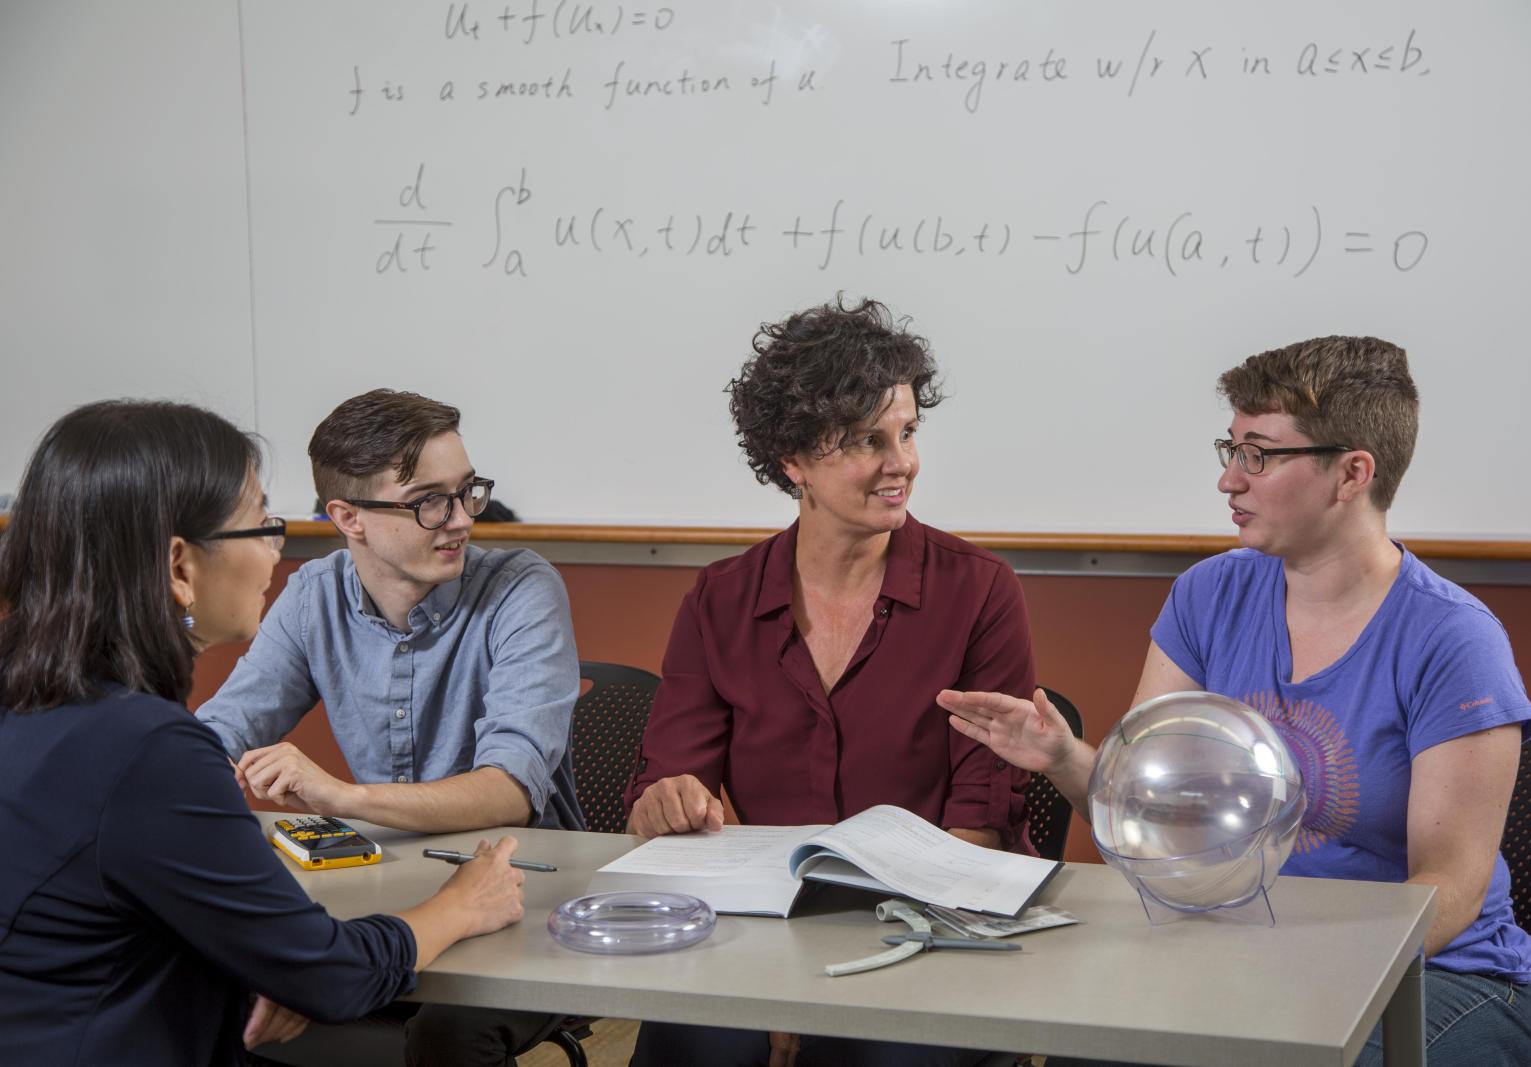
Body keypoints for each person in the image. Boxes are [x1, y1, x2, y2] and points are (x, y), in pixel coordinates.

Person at [939, 336, 1531, 1066]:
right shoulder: (1208, 594)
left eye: (1258, 454)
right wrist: (1066, 759)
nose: (1230, 479)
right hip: (1241, 956)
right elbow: (1145, 819)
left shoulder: (1453, 639)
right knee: (1089, 1049)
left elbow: (1447, 892)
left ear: (1352, 472)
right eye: (1228, 449)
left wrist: (1292, 980)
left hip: (1442, 976)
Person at [0, 400, 528, 1066]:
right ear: (179, 567)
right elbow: (332, 975)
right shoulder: (148, 748)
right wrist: (459, 904)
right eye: (260, 525)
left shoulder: (31, 701)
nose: (276, 549)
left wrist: (271, 950)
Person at [623, 297, 1037, 1067]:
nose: (902, 462)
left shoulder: (979, 590)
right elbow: (663, 793)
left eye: (908, 432)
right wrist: (666, 802)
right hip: (762, 920)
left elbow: (977, 827)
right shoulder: (719, 599)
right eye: (864, 441)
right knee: (692, 1044)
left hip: (929, 923)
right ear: (793, 460)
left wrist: (814, 986)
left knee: (873, 1055)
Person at [195, 388, 581, 1063]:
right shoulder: (314, 595)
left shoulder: (522, 587)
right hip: (387, 896)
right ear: (348, 518)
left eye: (468, 491)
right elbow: (218, 733)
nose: (460, 519)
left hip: (529, 899)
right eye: (429, 500)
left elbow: (510, 788)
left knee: (446, 1036)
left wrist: (344, 798)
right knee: (218, 988)